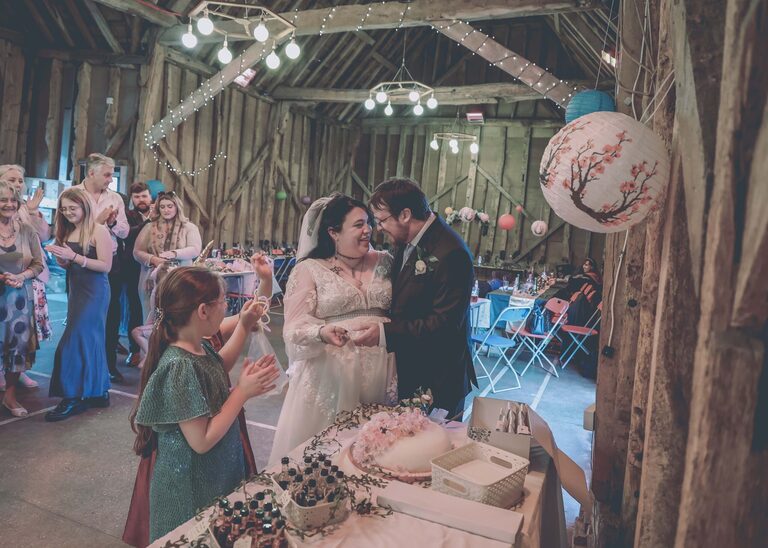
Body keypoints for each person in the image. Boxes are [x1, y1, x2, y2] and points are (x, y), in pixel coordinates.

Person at [129, 266, 279, 542]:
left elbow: (216, 367)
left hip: (211, 475)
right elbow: (201, 440)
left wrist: (244, 325)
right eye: (223, 302)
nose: (227, 307)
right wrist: (241, 393)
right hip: (190, 491)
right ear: (202, 311)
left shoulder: (196, 345)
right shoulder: (178, 367)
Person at [268, 194, 396, 464]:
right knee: (328, 458)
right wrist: (321, 333)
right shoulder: (309, 270)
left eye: (369, 223)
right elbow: (292, 328)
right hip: (332, 377)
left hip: (384, 371)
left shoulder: (385, 262)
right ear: (333, 232)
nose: (368, 230)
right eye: (358, 225)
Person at [356, 178, 477, 417]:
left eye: (382, 220)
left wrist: (384, 332)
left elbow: (444, 325)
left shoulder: (451, 253)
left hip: (437, 377)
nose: (378, 228)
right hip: (407, 370)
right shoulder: (406, 241)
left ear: (405, 215)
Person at [44, 188, 113, 421]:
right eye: (64, 209)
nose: (68, 212)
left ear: (84, 206)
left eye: (72, 208)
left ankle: (72, 396)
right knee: (89, 340)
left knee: (73, 341)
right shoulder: (68, 231)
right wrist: (62, 260)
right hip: (76, 291)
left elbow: (105, 266)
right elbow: (69, 266)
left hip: (95, 293)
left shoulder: (99, 231)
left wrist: (73, 257)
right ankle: (97, 391)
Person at [73, 153, 129, 383]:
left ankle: (108, 364)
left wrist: (113, 222)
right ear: (91, 173)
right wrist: (100, 219)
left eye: (112, 174)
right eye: (106, 174)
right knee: (81, 315)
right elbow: (69, 229)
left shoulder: (115, 198)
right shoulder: (73, 195)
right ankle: (80, 366)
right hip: (80, 259)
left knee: (111, 314)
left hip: (111, 260)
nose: (110, 179)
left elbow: (125, 231)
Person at [0, 164, 51, 392]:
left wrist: (21, 276)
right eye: (4, 200)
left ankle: (12, 388)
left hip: (19, 295)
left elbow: (39, 258)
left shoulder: (26, 226)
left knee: (18, 344)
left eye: (20, 181)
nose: (9, 204)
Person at [133, 191, 202, 320]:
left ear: (177, 206)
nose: (166, 210)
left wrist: (174, 253)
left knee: (178, 317)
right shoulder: (149, 227)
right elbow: (137, 252)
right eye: (162, 207)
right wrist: (153, 259)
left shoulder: (188, 227)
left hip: (180, 278)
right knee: (150, 317)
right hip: (151, 278)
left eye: (170, 206)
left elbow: (195, 249)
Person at [123, 182, 153, 367]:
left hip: (155, 267)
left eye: (144, 196)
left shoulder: (161, 212)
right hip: (133, 268)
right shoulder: (128, 216)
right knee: (134, 308)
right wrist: (148, 223)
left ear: (150, 197)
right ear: (132, 199)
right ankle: (135, 349)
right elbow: (127, 234)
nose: (141, 200)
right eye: (137, 197)